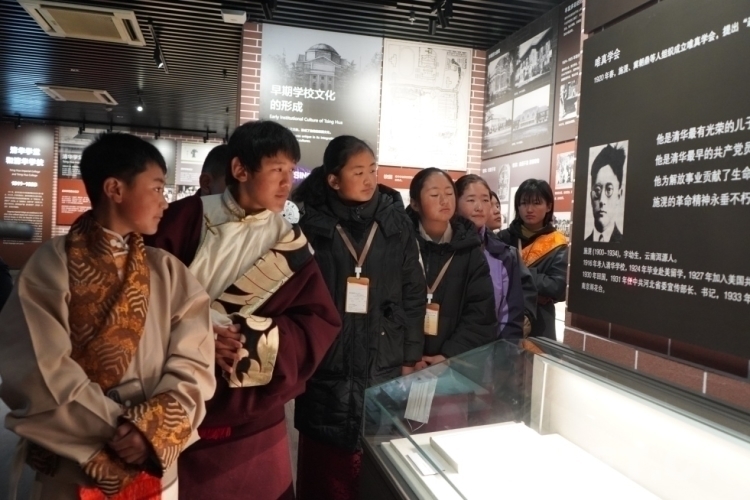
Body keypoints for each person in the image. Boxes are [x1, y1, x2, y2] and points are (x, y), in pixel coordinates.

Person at [0, 133, 216, 499]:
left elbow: (195, 360)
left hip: (151, 460)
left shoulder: (167, 270)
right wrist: (123, 430)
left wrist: (151, 428)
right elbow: (38, 368)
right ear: (115, 189)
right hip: (74, 464)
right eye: (157, 188)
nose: (164, 202)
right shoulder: (51, 265)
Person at [145, 121, 341, 500]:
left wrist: (248, 341)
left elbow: (317, 325)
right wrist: (200, 339)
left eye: (291, 171)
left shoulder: (290, 242)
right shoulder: (184, 218)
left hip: (252, 423)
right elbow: (139, 300)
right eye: (276, 170)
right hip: (172, 403)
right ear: (240, 169)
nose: (287, 182)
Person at [292, 135, 426, 500]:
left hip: (383, 357)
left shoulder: (395, 222)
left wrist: (410, 356)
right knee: (326, 475)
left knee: (375, 473)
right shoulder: (309, 223)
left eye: (372, 170)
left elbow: (414, 292)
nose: (369, 179)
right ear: (333, 179)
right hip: (327, 360)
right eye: (358, 172)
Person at [406, 168, 496, 369]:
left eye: (449, 193)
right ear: (414, 203)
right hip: (404, 364)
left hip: (453, 365)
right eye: (434, 195)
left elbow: (481, 313)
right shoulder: (401, 244)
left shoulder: (470, 250)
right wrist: (409, 356)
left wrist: (450, 354)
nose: (444, 201)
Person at [455, 175, 534, 339]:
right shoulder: (443, 248)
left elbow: (510, 314)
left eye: (485, 200)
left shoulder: (503, 254)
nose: (479, 207)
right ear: (455, 203)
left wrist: (504, 349)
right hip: (447, 349)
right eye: (471, 200)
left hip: (491, 347)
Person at [500, 179, 568, 340]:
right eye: (524, 203)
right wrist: (537, 283)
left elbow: (557, 288)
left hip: (541, 321)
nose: (529, 209)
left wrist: (516, 271)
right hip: (504, 314)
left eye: (536, 203)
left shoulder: (557, 243)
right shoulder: (503, 238)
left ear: (549, 206)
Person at [585, 144, 625, 243]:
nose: (602, 201)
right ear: (591, 196)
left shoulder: (622, 242)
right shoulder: (581, 245)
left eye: (609, 190)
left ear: (619, 195)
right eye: (597, 190)